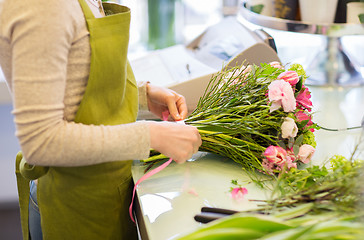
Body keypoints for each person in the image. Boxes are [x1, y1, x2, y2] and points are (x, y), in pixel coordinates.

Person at [0, 0, 202, 239]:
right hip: (75, 209)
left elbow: (75, 76)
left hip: (106, 193)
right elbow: (41, 142)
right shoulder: (43, 7)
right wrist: (150, 135)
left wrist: (141, 96)